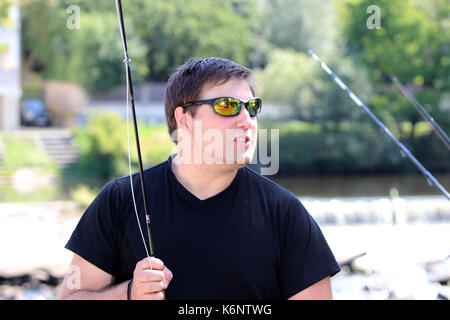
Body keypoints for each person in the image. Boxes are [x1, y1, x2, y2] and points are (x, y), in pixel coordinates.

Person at [58, 57, 340, 300]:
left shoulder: (285, 214)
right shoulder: (120, 200)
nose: (247, 119)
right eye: (228, 106)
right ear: (184, 119)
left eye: (252, 107)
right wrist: (129, 293)